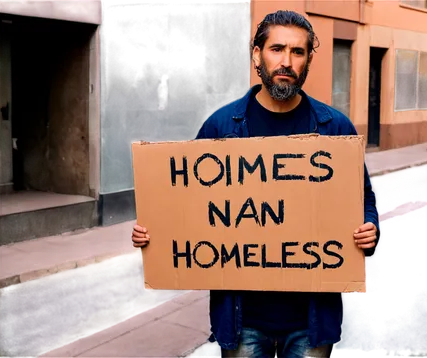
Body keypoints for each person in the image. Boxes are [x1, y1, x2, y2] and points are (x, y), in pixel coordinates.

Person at [132, 10, 380, 358]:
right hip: (242, 319)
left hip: (310, 323)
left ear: (309, 59)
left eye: (298, 52)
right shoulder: (220, 126)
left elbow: (362, 198)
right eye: (277, 49)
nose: (286, 61)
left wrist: (370, 227)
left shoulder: (334, 128)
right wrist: (154, 232)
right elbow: (190, 205)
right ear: (256, 54)